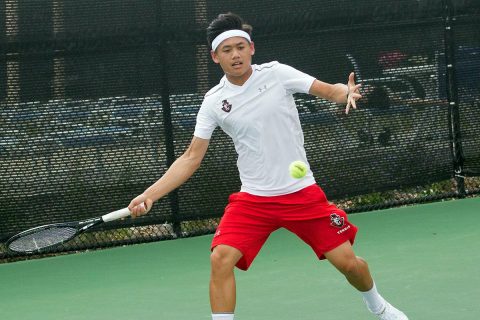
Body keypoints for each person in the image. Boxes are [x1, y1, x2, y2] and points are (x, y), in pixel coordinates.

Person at [128, 12, 408, 320]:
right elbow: (191, 157)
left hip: (301, 194)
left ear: (251, 48)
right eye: (227, 50)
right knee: (221, 258)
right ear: (215, 57)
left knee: (348, 264)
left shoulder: (277, 74)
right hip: (254, 200)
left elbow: (329, 91)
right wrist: (151, 193)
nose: (235, 54)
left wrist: (347, 92)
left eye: (240, 47)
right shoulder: (213, 102)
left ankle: (378, 306)